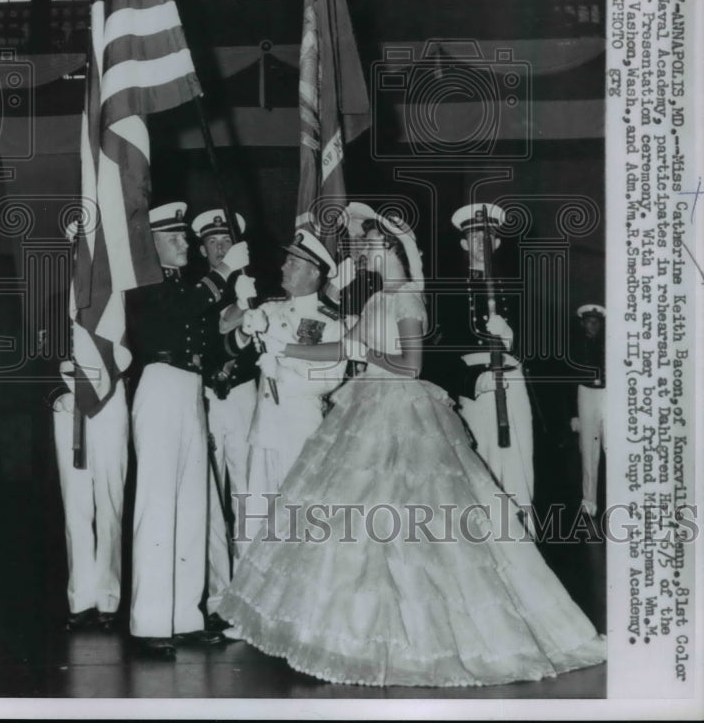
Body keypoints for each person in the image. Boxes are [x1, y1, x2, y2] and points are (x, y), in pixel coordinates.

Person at [218, 203, 605, 687]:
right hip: (367, 406)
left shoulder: (406, 299)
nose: (364, 256)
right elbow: (341, 348)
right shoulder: (378, 299)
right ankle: (353, 632)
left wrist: (368, 353)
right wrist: (284, 348)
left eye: (372, 248)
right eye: (362, 250)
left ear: (394, 250)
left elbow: (410, 367)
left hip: (400, 407)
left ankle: (414, 634)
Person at [124, 201, 250, 659]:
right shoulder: (142, 282)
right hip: (159, 386)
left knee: (193, 504)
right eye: (174, 237)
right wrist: (221, 277)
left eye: (182, 235)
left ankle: (185, 615)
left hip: (191, 387)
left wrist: (240, 325)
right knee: (158, 506)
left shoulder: (182, 285)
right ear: (151, 242)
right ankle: (150, 619)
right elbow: (179, 312)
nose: (184, 243)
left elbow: (209, 342)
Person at [49, 221, 128, 632]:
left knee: (110, 500)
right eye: (76, 244)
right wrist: (53, 394)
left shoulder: (118, 306)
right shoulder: (50, 301)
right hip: (67, 408)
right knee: (76, 504)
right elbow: (33, 358)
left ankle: (109, 599)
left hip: (110, 402)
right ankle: (81, 597)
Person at [241, 229, 353, 508]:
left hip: (300, 429)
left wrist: (282, 373)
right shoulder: (268, 308)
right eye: (287, 260)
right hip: (264, 428)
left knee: (297, 515)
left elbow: (329, 378)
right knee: (255, 517)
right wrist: (244, 324)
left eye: (294, 263)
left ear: (315, 273)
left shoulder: (330, 322)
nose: (284, 266)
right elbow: (235, 339)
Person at [190, 208, 259, 628]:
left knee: (250, 494)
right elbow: (200, 330)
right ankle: (219, 593)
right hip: (205, 397)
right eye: (212, 242)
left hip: (244, 394)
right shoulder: (194, 289)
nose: (220, 247)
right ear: (202, 249)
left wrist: (248, 300)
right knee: (209, 497)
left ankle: (250, 593)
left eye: (226, 241)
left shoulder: (256, 283)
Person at [444, 202, 534, 515]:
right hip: (476, 385)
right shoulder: (449, 291)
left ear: (496, 243)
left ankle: (523, 539)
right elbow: (439, 353)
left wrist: (514, 338)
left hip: (511, 377)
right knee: (481, 462)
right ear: (464, 244)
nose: (481, 244)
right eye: (474, 238)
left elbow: (544, 352)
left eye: (488, 238)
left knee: (518, 461)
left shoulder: (520, 290)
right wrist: (471, 381)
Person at [570, 304, 606, 517]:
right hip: (585, 394)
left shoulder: (609, 343)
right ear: (582, 323)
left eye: (597, 322)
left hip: (607, 394)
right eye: (589, 321)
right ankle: (589, 501)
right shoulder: (574, 346)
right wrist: (573, 414)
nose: (593, 325)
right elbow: (566, 383)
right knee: (589, 451)